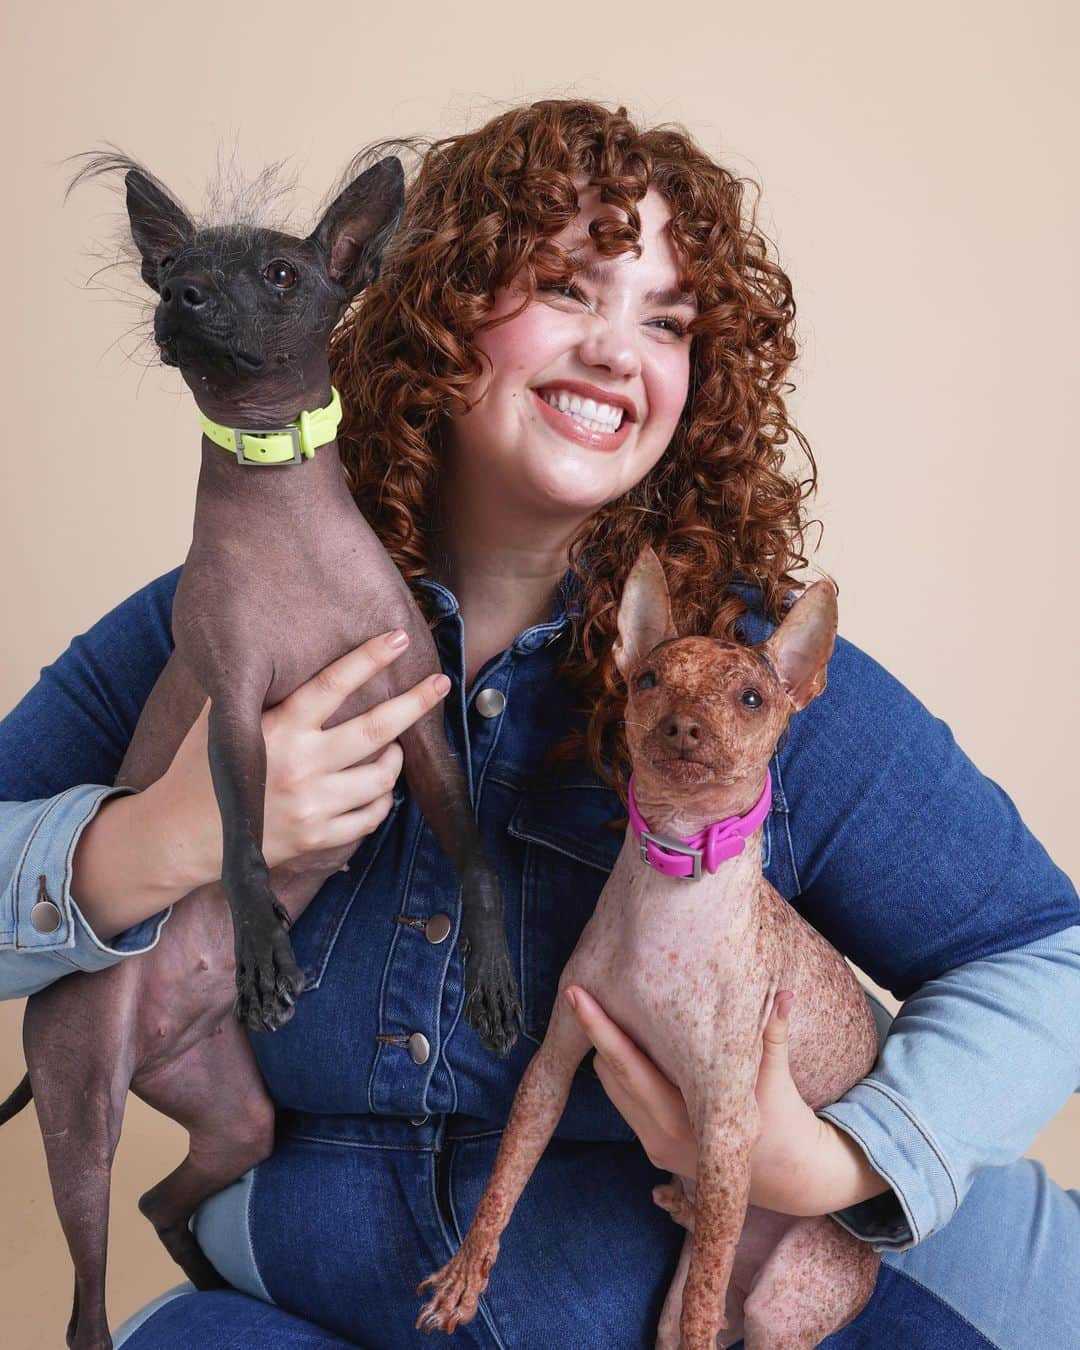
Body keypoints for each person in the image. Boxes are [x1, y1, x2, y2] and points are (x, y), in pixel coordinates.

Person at [1, 100, 1077, 1349]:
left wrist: (837, 1162)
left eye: (668, 323)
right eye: (570, 290)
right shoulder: (212, 619)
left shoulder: (733, 684)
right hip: (310, 1306)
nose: (622, 353)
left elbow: (1044, 956)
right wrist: (159, 841)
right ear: (435, 307)